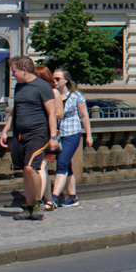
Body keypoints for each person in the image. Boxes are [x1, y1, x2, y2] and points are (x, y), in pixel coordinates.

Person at [0, 55, 59, 220]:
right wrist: (5, 130)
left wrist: (53, 136)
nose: (12, 75)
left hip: (38, 134)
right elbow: (15, 111)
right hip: (20, 134)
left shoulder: (43, 87)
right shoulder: (19, 86)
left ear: (23, 70)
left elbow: (51, 113)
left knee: (30, 168)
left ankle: (37, 203)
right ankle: (27, 206)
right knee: (24, 171)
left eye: (14, 71)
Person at [48, 69, 92, 209]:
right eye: (53, 79)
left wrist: (89, 135)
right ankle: (73, 198)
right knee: (67, 166)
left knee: (62, 162)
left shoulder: (75, 96)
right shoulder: (52, 95)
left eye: (58, 79)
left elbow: (84, 116)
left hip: (72, 133)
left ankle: (54, 198)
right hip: (57, 134)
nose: (55, 81)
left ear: (66, 80)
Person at [32, 65, 63, 210]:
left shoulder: (54, 92)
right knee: (42, 168)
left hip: (48, 132)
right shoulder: (34, 91)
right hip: (36, 133)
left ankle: (38, 202)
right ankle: (49, 201)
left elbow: (59, 113)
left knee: (41, 166)